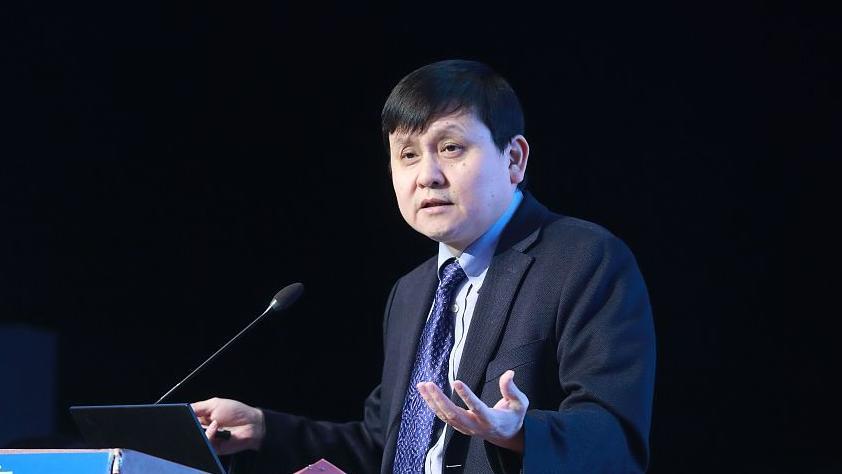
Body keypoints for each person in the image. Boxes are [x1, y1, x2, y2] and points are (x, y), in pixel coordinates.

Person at [192, 59, 656, 473]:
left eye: (451, 148)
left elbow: (614, 438)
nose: (427, 176)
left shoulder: (583, 259)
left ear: (513, 159)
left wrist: (518, 432)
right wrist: (263, 428)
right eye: (408, 154)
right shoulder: (411, 292)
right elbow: (387, 448)